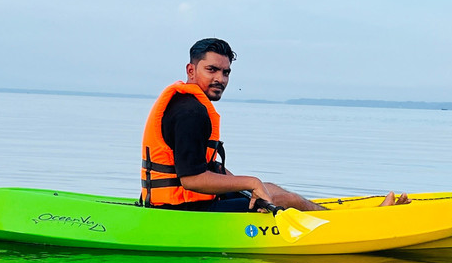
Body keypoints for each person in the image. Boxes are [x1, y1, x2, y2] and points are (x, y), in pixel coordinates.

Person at [140, 38, 408, 212]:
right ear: (191, 70)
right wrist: (251, 182)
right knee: (285, 199)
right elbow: (190, 179)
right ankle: (356, 225)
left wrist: (248, 186)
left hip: (183, 203)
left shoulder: (189, 104)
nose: (220, 78)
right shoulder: (191, 112)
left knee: (271, 189)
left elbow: (202, 167)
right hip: (180, 211)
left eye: (226, 72)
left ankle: (343, 218)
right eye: (212, 70)